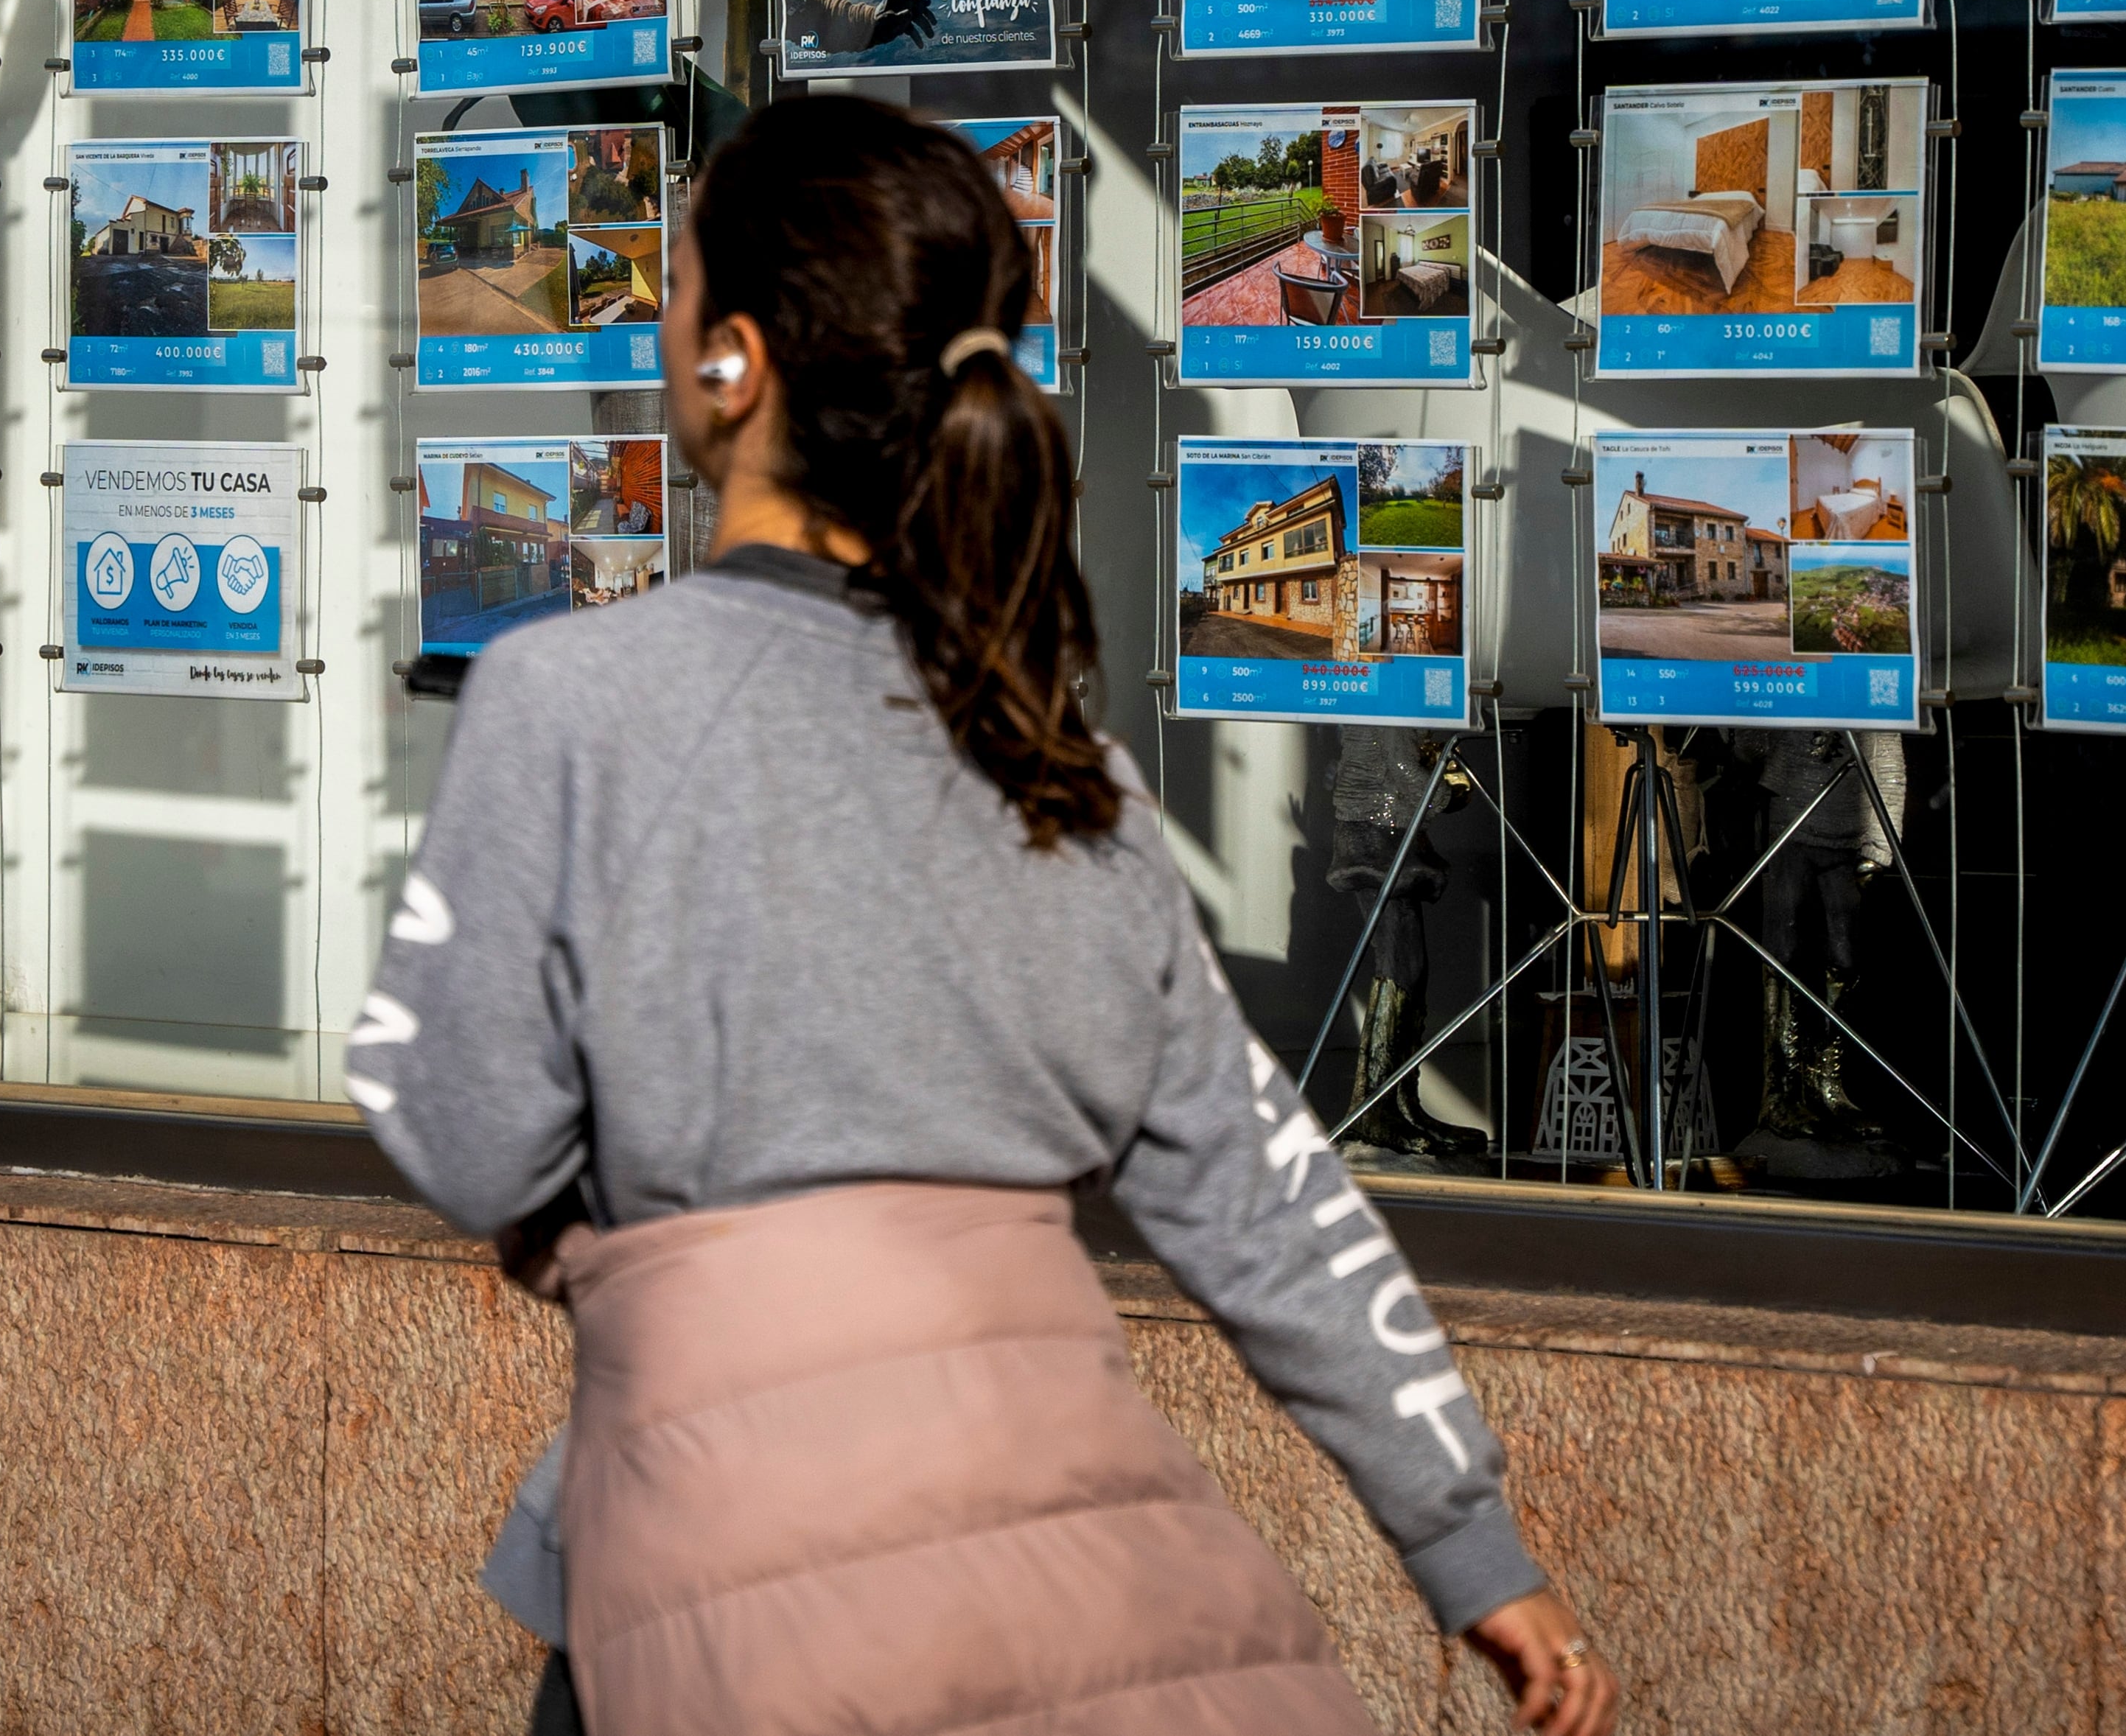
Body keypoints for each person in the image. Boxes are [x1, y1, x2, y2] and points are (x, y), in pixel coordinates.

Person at [350, 97, 1618, 1736]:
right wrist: (1469, 1541)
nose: (652, 322)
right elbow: (1264, 1200)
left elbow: (458, 1125)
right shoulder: (1063, 772)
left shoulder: (572, 696)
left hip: (726, 1568)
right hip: (1092, 1579)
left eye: (664, 282)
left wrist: (611, 1229)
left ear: (729, 362)